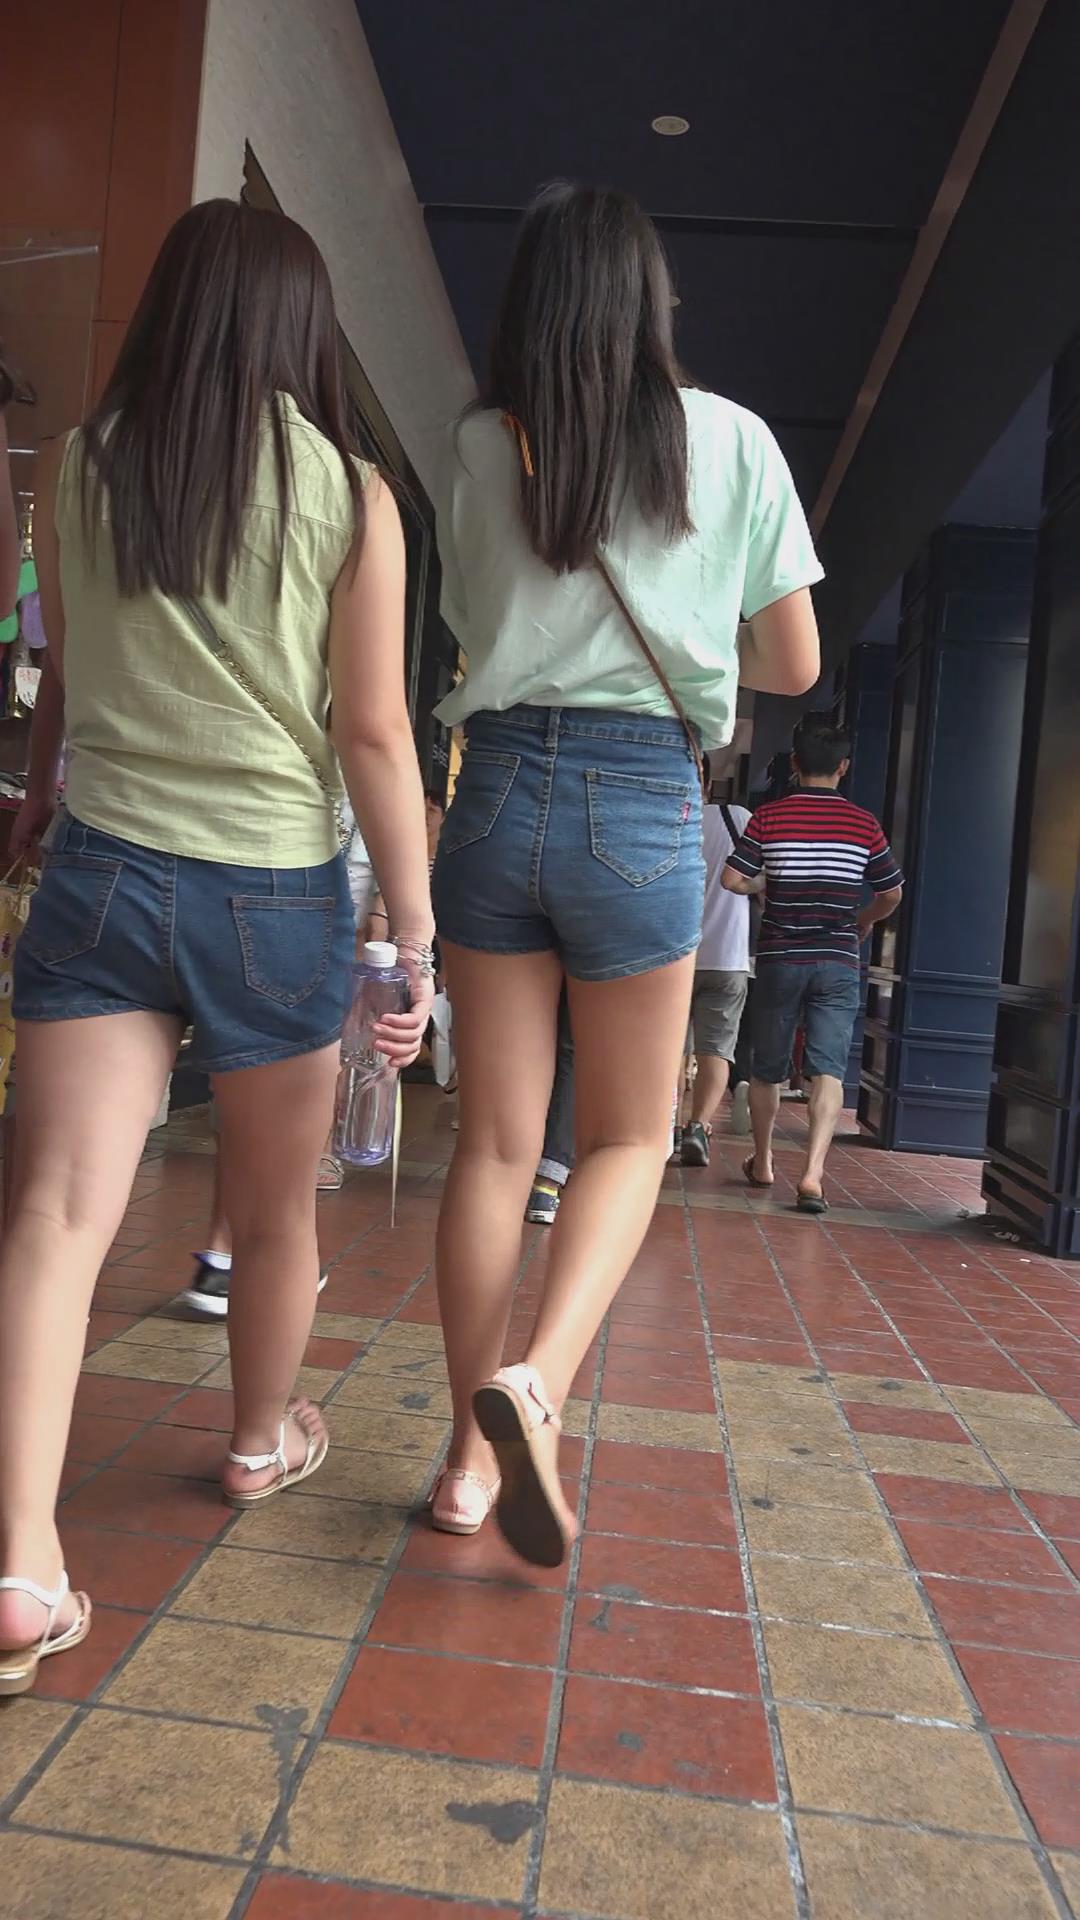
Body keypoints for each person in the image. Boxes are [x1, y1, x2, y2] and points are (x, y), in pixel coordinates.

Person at [0, 199, 434, 1695]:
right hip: (273, 894)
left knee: (56, 1214)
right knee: (274, 1206)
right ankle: (258, 1441)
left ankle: (19, 1565)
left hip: (103, 869)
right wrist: (414, 930)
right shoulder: (350, 494)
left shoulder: (83, 462)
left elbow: (60, 674)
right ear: (298, 329)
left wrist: (37, 803)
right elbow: (372, 732)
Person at [428, 181, 822, 1561]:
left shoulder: (478, 444)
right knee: (628, 1138)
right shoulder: (734, 439)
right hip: (644, 796)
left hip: (495, 791)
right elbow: (792, 665)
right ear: (653, 303)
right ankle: (536, 1386)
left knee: (493, 1145)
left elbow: (472, 619)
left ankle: (464, 1468)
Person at [722, 714, 903, 1212]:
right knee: (827, 1070)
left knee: (768, 1068)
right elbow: (891, 892)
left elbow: (732, 880)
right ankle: (813, 1175)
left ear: (795, 764)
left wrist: (765, 884)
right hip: (837, 960)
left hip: (780, 958)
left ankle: (763, 1161)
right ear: (844, 766)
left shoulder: (770, 818)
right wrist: (862, 920)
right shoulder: (863, 824)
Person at [680, 770, 751, 1168]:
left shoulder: (671, 816)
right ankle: (697, 1126)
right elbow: (766, 874)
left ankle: (665, 1128)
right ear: (708, 783)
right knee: (716, 1050)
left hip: (673, 956)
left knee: (671, 1051)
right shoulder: (736, 818)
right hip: (726, 956)